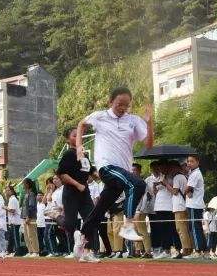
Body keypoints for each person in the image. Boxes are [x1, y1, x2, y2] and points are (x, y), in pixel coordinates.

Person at [73, 87, 153, 262]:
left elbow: (148, 146)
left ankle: (83, 246)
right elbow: (81, 124)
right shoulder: (100, 116)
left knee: (99, 211)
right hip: (107, 166)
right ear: (111, 102)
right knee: (138, 184)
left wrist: (149, 123)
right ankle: (128, 225)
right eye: (119, 104)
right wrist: (79, 146)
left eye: (126, 105)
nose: (122, 108)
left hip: (122, 171)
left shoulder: (133, 120)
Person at [56, 127, 96, 262]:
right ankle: (57, 216)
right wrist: (77, 184)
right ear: (68, 139)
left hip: (84, 193)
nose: (78, 138)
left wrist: (103, 176)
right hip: (71, 193)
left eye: (79, 135)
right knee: (70, 224)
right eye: (74, 136)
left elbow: (93, 172)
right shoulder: (69, 154)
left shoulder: (84, 154)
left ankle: (87, 252)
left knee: (91, 220)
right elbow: (62, 174)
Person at [184, 154, 207, 258]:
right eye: (188, 161)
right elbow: (189, 190)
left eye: (192, 161)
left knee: (195, 228)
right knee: (197, 228)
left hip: (194, 205)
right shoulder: (192, 173)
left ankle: (197, 251)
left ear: (197, 162)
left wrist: (187, 191)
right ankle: (205, 251)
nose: (189, 163)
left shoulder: (195, 174)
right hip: (195, 204)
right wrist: (188, 191)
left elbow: (187, 189)